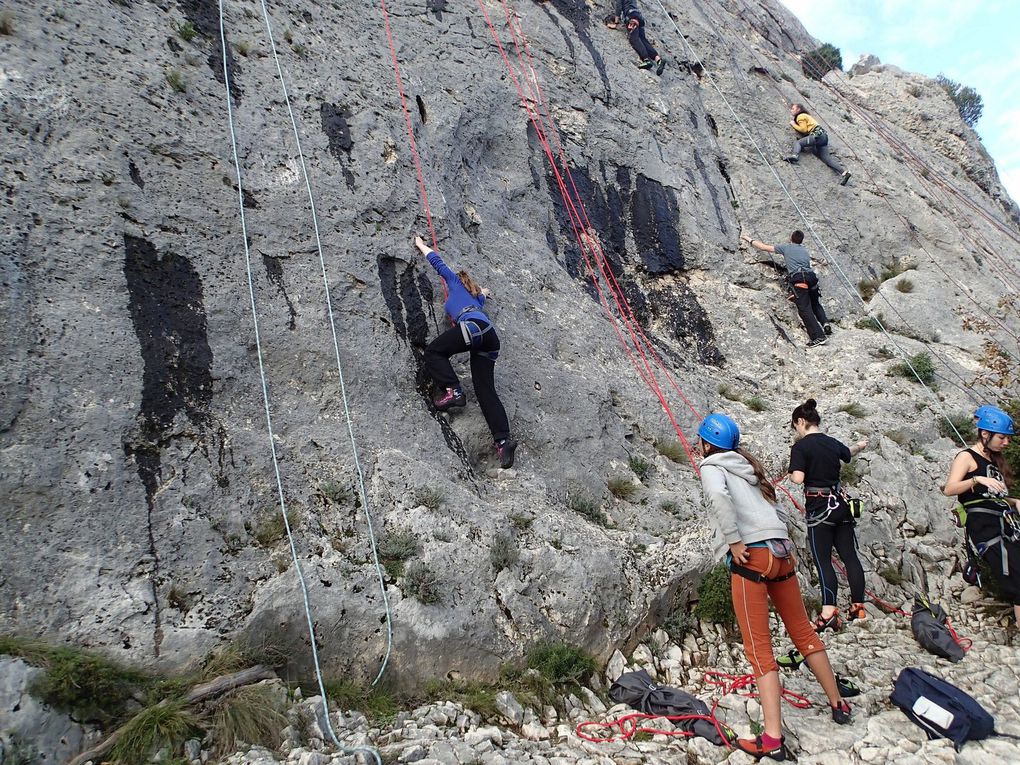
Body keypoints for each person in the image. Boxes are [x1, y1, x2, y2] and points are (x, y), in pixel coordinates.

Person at [698, 412, 851, 760]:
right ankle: (838, 703)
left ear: (707, 443)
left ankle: (771, 739)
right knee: (802, 631)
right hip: (781, 552)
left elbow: (719, 500)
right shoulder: (747, 467)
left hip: (752, 556)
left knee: (759, 650)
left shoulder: (711, 466)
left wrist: (735, 542)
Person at [414, 235, 517, 469]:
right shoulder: (476, 299)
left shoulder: (455, 284)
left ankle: (454, 392)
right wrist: (483, 292)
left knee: (434, 352)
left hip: (472, 328)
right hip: (489, 337)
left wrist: (421, 245)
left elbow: (438, 263)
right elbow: (482, 294)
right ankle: (503, 441)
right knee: (485, 391)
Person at [787, 399, 869, 631]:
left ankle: (828, 611)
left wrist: (792, 471)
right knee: (850, 557)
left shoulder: (801, 447)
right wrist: (859, 446)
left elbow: (798, 479)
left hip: (819, 509)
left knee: (823, 561)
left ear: (801, 422)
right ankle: (858, 607)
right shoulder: (832, 443)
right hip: (841, 506)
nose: (797, 431)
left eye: (796, 427)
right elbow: (847, 453)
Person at [943, 406, 1019, 623]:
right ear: (985, 434)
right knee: (1017, 579)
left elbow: (995, 497)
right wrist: (977, 479)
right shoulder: (966, 457)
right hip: (985, 528)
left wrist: (1014, 502)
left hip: (1004, 523)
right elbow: (949, 488)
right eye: (1002, 438)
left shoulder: (994, 462)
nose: (1006, 443)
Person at [741, 230, 831, 347]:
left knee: (804, 309)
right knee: (815, 303)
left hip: (800, 279)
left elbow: (763, 247)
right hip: (811, 278)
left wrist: (748, 239)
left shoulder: (786, 248)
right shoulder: (804, 250)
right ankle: (825, 323)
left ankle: (818, 336)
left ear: (791, 238)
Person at [783, 103, 851, 185]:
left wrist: (793, 124)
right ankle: (844, 173)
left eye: (793, 108)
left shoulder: (801, 116)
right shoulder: (807, 116)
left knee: (798, 143)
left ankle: (795, 155)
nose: (791, 110)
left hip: (817, 135)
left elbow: (804, 129)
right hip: (823, 136)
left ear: (798, 109)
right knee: (826, 158)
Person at [603, 1, 666, 76]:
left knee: (634, 39)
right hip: (638, 16)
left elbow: (618, 7)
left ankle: (646, 59)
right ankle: (658, 59)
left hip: (631, 16)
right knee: (643, 39)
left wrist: (616, 23)